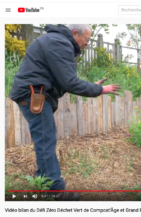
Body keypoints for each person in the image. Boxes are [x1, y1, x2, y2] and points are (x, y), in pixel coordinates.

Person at [9, 24, 120, 201]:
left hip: (33, 93)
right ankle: (55, 191)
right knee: (46, 140)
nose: (88, 43)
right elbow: (70, 83)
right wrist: (100, 90)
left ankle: (43, 183)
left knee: (44, 139)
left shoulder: (56, 41)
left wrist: (92, 86)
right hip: (34, 94)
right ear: (75, 33)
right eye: (87, 39)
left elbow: (63, 79)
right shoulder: (59, 43)